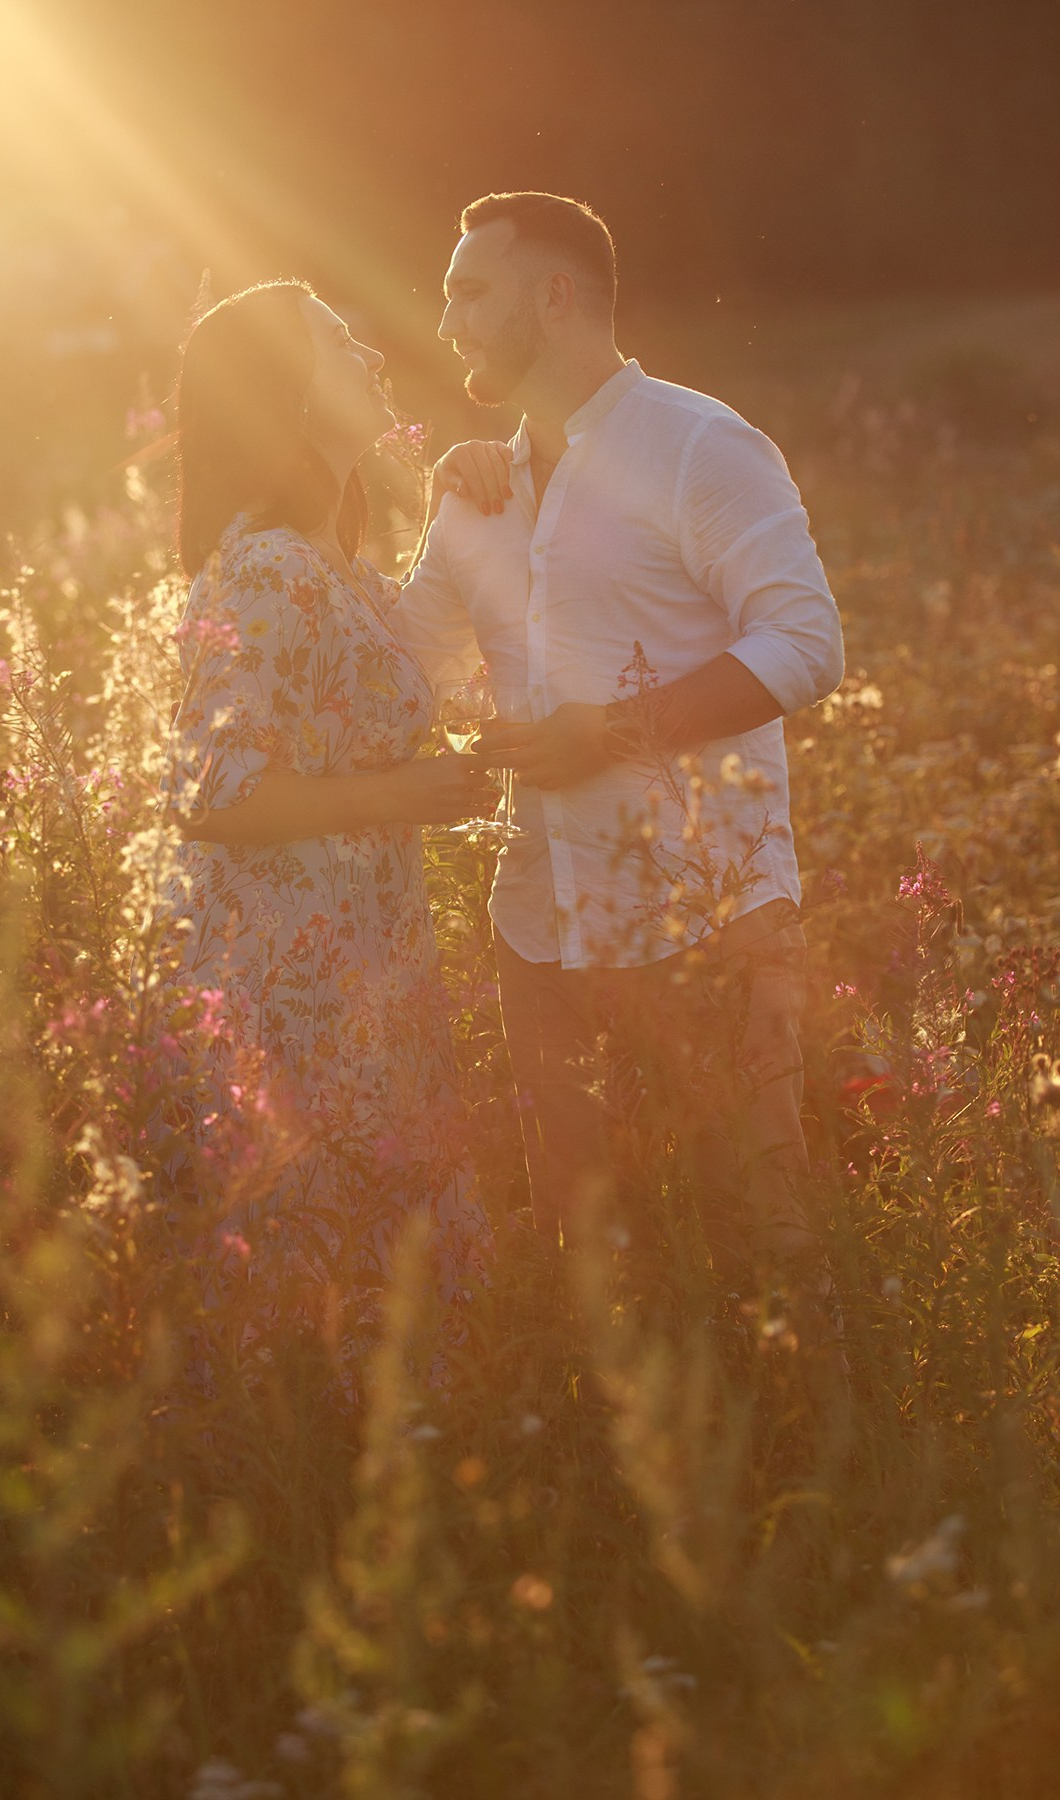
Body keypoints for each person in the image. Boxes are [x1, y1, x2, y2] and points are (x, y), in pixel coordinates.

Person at [392, 192, 845, 1304]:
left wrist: (610, 734)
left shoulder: (701, 444)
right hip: (540, 928)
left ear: (554, 297)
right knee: (588, 1260)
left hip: (709, 914)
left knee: (763, 1241)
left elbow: (805, 641)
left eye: (468, 290)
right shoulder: (473, 497)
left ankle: (820, 1458)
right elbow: (402, 666)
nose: (444, 318)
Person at [163, 279, 500, 1330]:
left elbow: (420, 670)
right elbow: (210, 795)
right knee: (314, 1297)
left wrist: (472, 488)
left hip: (363, 967)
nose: (372, 357)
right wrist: (410, 791)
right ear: (288, 394)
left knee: (376, 1287)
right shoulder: (265, 565)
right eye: (342, 345)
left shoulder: (334, 565)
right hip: (289, 988)